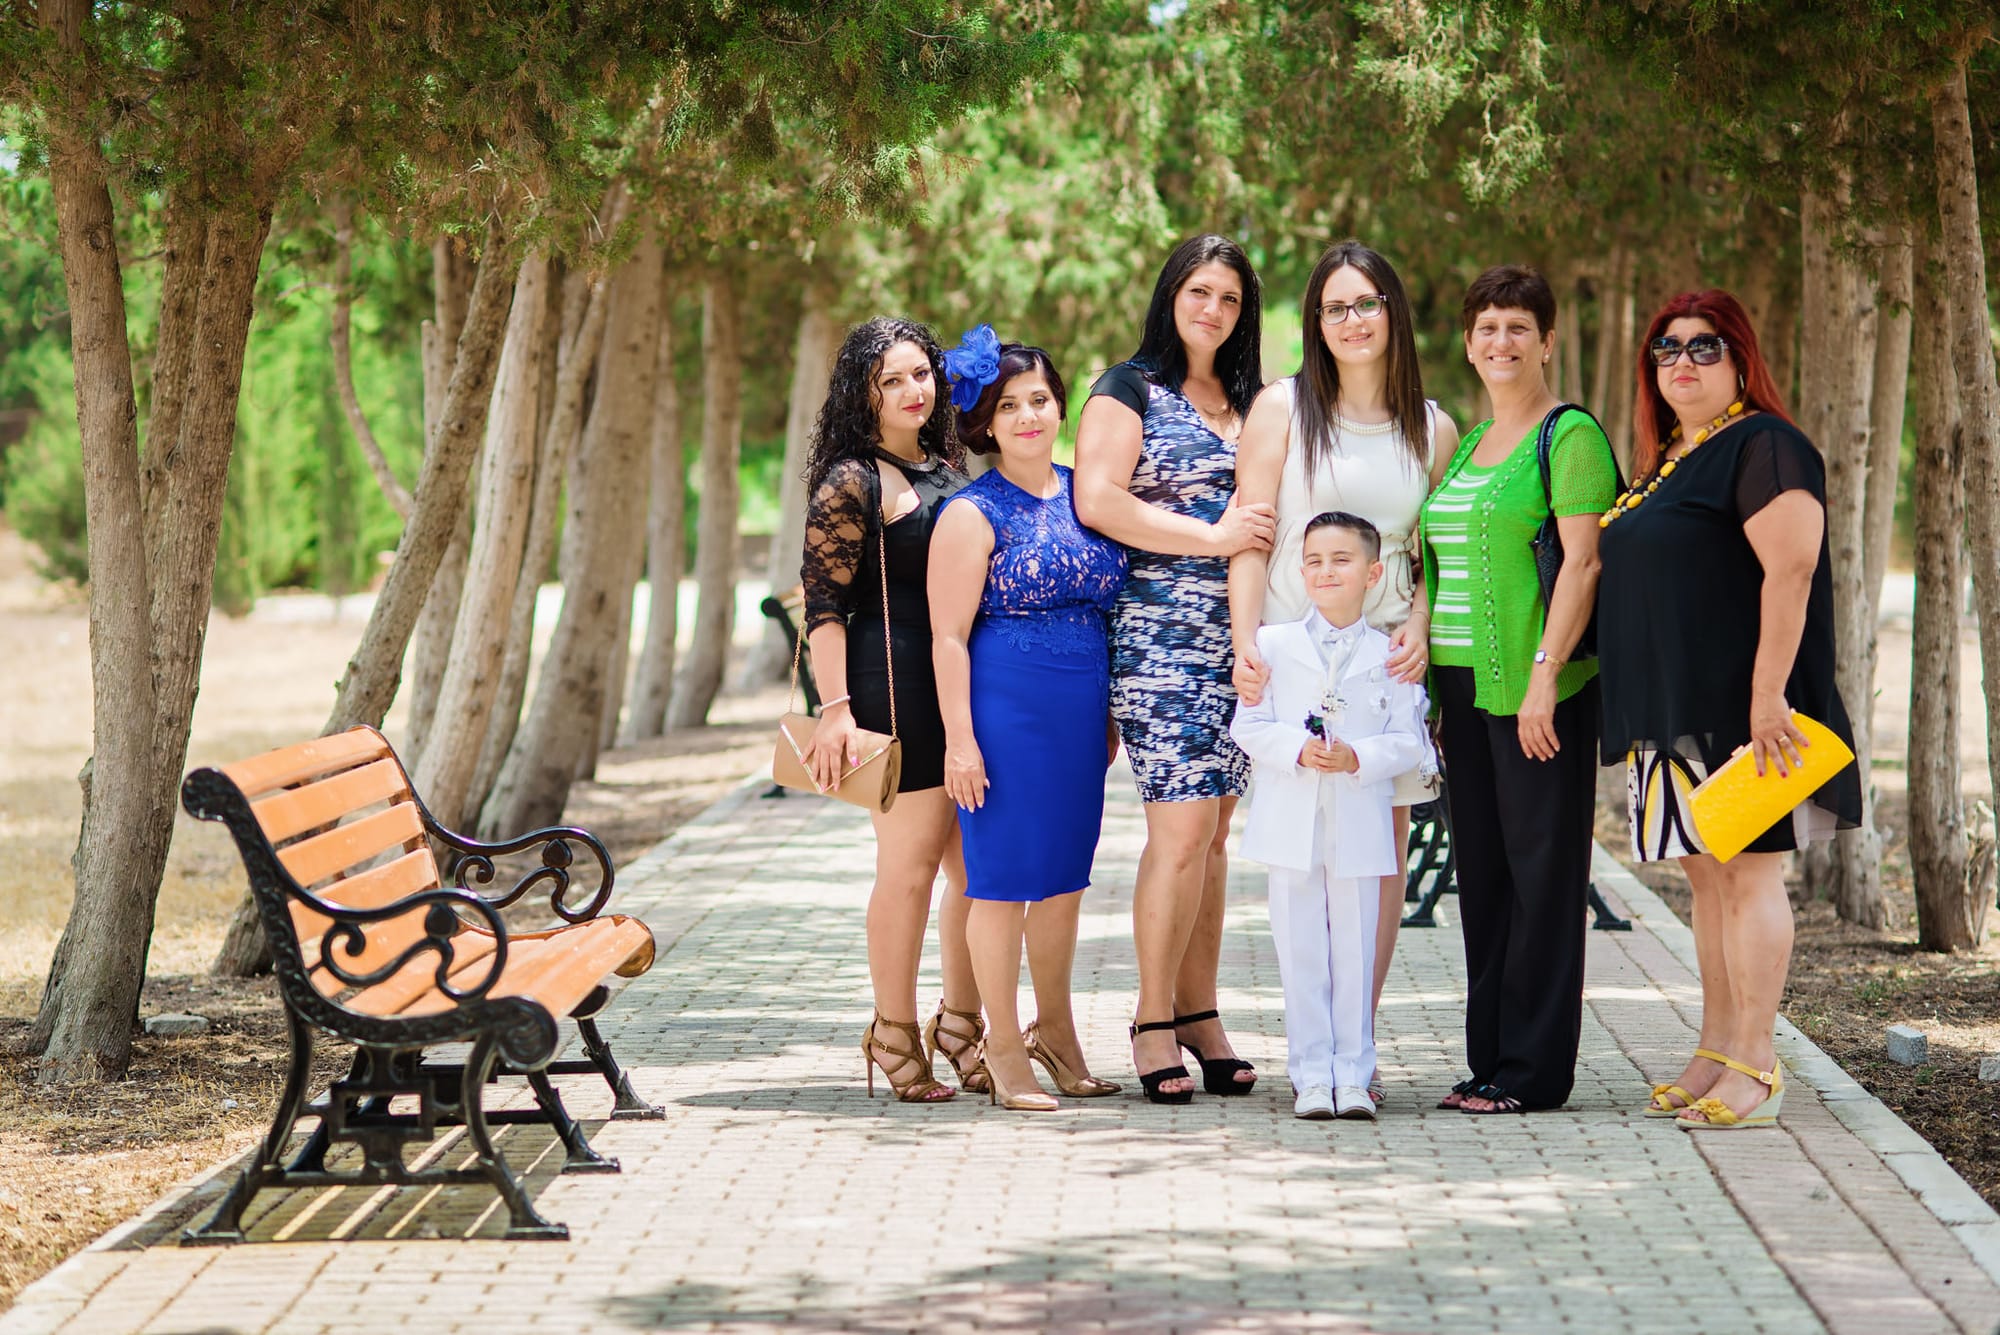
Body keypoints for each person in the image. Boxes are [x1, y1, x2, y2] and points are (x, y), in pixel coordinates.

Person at [1598, 290, 1861, 1130]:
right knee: (1706, 880)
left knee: (1748, 876)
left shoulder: (1766, 444)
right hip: (1669, 709)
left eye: (1704, 347)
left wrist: (1766, 696)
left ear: (1742, 359)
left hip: (1744, 707)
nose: (1682, 362)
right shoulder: (1670, 459)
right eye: (1666, 349)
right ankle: (1715, 1049)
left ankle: (1756, 1063)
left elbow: (1790, 573)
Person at [1228, 240, 1459, 1105]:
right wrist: (1245, 639)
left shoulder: (1430, 426)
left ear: (1393, 311)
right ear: (1315, 323)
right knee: (1300, 861)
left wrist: (1424, 628)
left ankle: (1350, 1059)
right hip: (1294, 656)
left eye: (1368, 303)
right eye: (1335, 307)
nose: (1353, 320)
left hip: (1385, 662)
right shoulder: (1283, 408)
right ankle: (1308, 1055)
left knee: (1376, 864)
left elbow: (1438, 548)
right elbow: (1252, 534)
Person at [1074, 234, 1276, 1104]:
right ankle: (1152, 1017)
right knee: (1182, 833)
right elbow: (1099, 498)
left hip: (1238, 642)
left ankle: (1201, 1011)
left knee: (1218, 839)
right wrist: (1212, 536)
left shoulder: (1252, 400)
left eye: (1230, 299)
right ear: (1171, 295)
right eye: (1200, 291)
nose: (1214, 310)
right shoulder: (1129, 389)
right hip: (1156, 641)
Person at [1417, 266, 1620, 1114]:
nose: (1500, 341)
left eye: (1517, 327)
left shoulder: (1566, 435)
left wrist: (1543, 675)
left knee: (1543, 877)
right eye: (1486, 327)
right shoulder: (1466, 445)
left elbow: (1584, 561)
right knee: (1487, 876)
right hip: (1462, 693)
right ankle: (1489, 1057)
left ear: (1546, 341)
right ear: (1468, 343)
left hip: (1539, 692)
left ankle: (1535, 1073)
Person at [929, 332, 1129, 1111]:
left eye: (1040, 399)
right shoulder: (971, 513)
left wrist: (1108, 707)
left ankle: (1060, 1033)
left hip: (1080, 712)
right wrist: (960, 739)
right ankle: (1004, 1047)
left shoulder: (1088, 493)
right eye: (1008, 405)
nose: (1027, 415)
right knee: (1002, 883)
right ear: (984, 421)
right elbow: (949, 636)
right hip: (1003, 711)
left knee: (1064, 885)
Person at [800, 316, 981, 1103]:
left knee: (976, 874)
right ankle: (893, 1029)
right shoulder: (851, 480)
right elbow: (823, 608)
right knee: (907, 871)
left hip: (955, 687)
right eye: (893, 379)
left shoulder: (948, 467)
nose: (914, 390)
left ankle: (963, 1022)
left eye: (922, 374)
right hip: (888, 687)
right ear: (863, 394)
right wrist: (835, 711)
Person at [1231, 512, 1427, 1122]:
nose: (1324, 571)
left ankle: (1355, 1076)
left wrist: (1357, 756)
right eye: (1313, 560)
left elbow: (1409, 740)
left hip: (1359, 822)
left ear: (1373, 573)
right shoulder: (1272, 645)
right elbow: (1248, 725)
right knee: (1301, 952)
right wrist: (1296, 747)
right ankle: (1311, 1074)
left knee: (1356, 951)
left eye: (1340, 560)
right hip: (1292, 821)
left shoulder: (1389, 654)